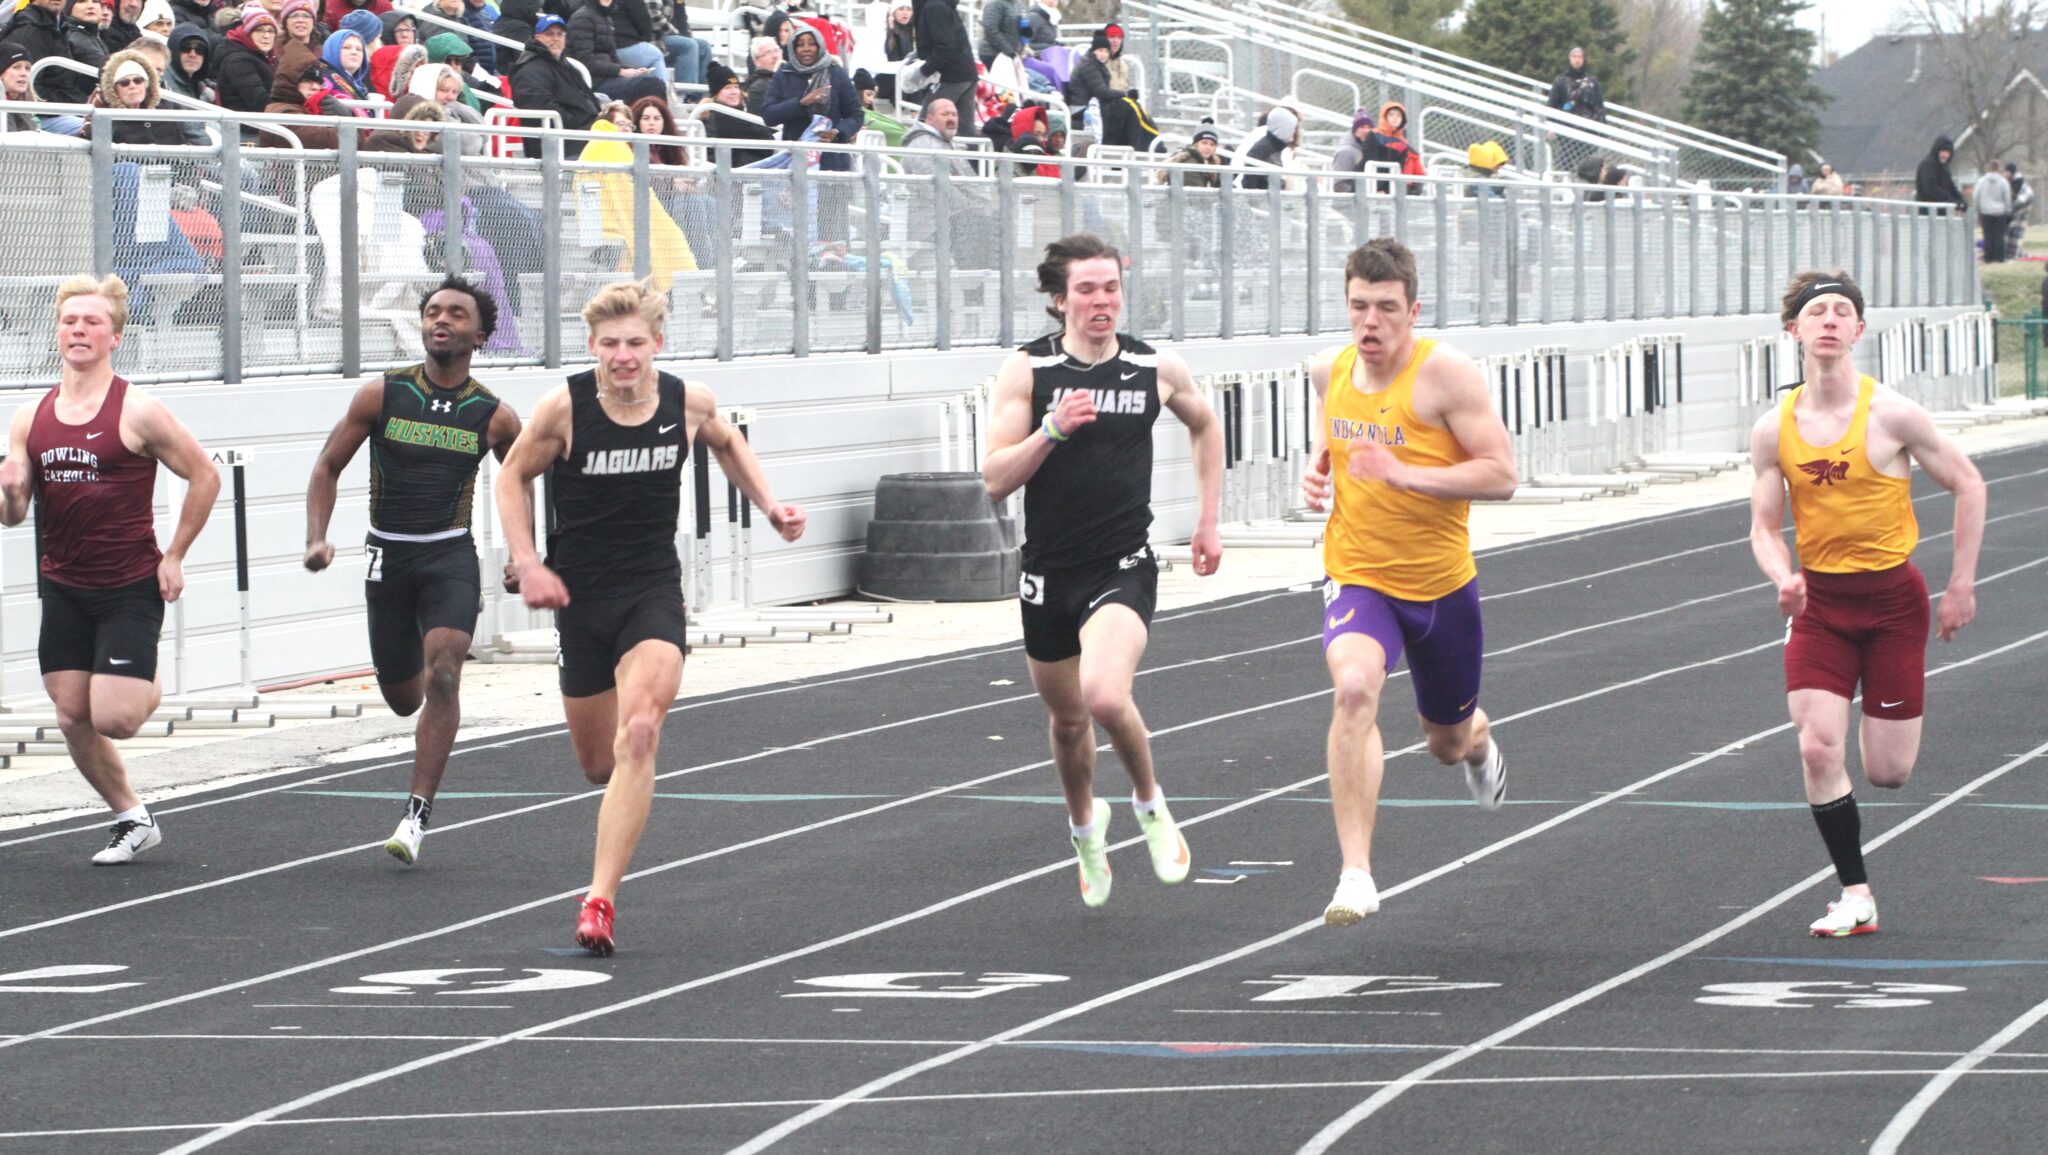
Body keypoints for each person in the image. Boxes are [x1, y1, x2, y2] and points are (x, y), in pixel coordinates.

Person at [494, 281, 805, 955]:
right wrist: (528, 560)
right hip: (579, 597)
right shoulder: (564, 408)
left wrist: (771, 505)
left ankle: (599, 900)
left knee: (639, 732)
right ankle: (622, 803)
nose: (623, 356)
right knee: (597, 764)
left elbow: (726, 442)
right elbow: (511, 476)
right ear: (591, 346)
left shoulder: (686, 401)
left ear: (657, 343)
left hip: (652, 590)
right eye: (610, 344)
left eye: (635, 342)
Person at [980, 233, 1223, 909]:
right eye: (1086, 290)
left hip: (1122, 565)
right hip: (1047, 573)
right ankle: (1087, 829)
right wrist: (1051, 430)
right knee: (1068, 722)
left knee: (1106, 697)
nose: (1101, 301)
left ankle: (1150, 804)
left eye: (1111, 287)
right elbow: (994, 479)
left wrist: (1208, 519)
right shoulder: (1028, 371)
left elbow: (1206, 425)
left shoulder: (1154, 366)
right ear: (1060, 300)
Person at [1746, 271, 1985, 937]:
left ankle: (1875, 717)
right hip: (1819, 605)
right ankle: (1856, 894)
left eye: (1840, 311)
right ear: (1793, 330)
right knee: (1818, 747)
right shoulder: (1772, 430)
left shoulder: (1893, 415)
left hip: (1892, 605)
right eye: (1815, 311)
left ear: (1858, 329)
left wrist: (1961, 584)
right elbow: (1763, 526)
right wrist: (1782, 577)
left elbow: (1969, 483)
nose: (1828, 320)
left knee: (1888, 771)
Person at [1299, 238, 1516, 926]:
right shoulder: (1328, 368)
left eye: (1387, 308)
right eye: (1359, 306)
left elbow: (1502, 474)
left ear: (1414, 311)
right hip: (1358, 574)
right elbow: (1335, 424)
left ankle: (1477, 739)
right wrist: (1320, 462)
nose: (1371, 322)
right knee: (1354, 688)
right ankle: (1355, 874)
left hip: (1440, 586)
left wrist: (1403, 473)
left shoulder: (1445, 376)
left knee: (1445, 743)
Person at [302, 278, 522, 865]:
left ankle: (416, 815)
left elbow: (522, 482)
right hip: (388, 557)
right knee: (404, 699)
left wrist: (524, 554)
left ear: (481, 335)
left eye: (456, 313)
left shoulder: (494, 416)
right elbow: (326, 467)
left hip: (448, 557)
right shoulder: (384, 394)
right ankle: (421, 694)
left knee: (445, 673)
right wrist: (317, 536)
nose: (440, 320)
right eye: (432, 312)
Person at [0, 275, 219, 865]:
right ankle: (131, 817)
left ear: (114, 336)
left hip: (128, 585)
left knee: (115, 719)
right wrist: (11, 491)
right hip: (63, 585)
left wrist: (175, 554)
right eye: (70, 321)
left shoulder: (138, 411)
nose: (79, 330)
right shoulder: (29, 417)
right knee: (73, 715)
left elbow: (205, 475)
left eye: (92, 322)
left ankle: (141, 676)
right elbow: (13, 516)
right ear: (58, 331)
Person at [510, 14, 603, 156]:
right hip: (556, 146)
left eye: (560, 34)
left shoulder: (566, 65)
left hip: (581, 136)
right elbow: (540, 112)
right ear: (537, 38)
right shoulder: (529, 71)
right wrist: (585, 123)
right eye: (549, 34)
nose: (556, 38)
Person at [567, 0, 665, 104]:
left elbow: (613, 57)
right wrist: (620, 71)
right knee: (648, 84)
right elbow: (587, 62)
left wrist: (632, 70)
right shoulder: (582, 18)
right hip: (593, 82)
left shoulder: (605, 18)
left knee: (652, 81)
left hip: (607, 77)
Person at [912, 0, 974, 134]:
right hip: (966, 72)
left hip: (948, 75)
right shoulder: (941, 5)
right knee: (966, 130)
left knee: (926, 124)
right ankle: (972, 148)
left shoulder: (933, 7)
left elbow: (945, 46)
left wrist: (924, 71)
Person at [698, 59, 776, 166]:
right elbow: (768, 145)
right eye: (727, 88)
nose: (734, 92)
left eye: (736, 87)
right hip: (734, 173)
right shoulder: (724, 117)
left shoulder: (724, 114)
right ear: (716, 94)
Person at [214, 7, 279, 117]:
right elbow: (260, 103)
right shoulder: (238, 61)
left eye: (271, 31)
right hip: (246, 125)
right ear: (248, 33)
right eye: (259, 30)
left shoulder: (267, 57)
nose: (266, 36)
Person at [1547, 45, 1604, 122]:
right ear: (1569, 58)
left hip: (1587, 124)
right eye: (1574, 56)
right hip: (1565, 124)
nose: (1577, 60)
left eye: (1580, 57)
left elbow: (1600, 107)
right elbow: (1551, 105)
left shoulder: (1593, 82)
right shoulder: (1560, 81)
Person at [1974, 158, 2011, 263]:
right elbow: (2007, 197)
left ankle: (1988, 257)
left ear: (1988, 168)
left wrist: (1977, 210)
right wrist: (2007, 210)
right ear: (1998, 168)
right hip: (2000, 212)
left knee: (1988, 235)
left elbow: (1976, 196)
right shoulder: (2003, 182)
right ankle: (2000, 257)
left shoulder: (1981, 181)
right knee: (1999, 236)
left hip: (1985, 212)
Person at [1914, 135, 1965, 210]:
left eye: (1948, 153)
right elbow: (1931, 188)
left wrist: (1960, 200)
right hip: (1927, 212)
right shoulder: (1928, 165)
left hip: (1942, 211)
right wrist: (1951, 200)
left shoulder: (1944, 167)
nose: (1945, 155)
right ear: (1937, 151)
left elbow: (1951, 186)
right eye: (1943, 151)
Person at [742, 35, 779, 115]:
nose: (775, 56)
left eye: (776, 51)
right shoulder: (758, 88)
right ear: (757, 62)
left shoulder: (790, 77)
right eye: (768, 52)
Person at [978, 0, 1019, 66]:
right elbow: (990, 30)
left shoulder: (1014, 4)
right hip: (992, 54)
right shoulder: (995, 4)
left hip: (1009, 53)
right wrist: (1009, 51)